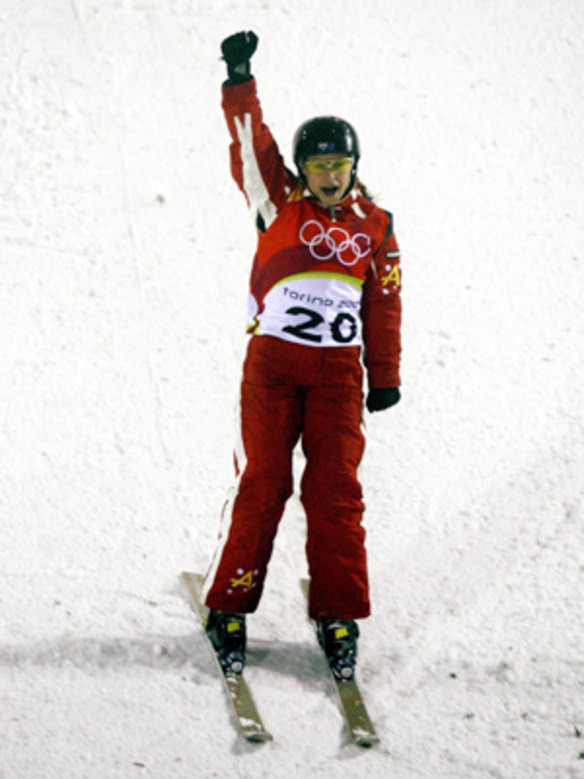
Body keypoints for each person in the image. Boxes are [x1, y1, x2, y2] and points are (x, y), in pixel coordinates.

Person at [201, 31, 402, 680]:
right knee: (265, 481)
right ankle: (228, 603)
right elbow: (250, 142)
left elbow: (385, 302)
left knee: (336, 489)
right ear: (301, 170)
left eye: (339, 165)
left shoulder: (376, 225)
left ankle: (338, 612)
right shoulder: (277, 202)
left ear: (354, 165)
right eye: (318, 166)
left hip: (338, 375)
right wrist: (240, 77)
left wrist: (385, 375)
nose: (330, 176)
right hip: (275, 368)